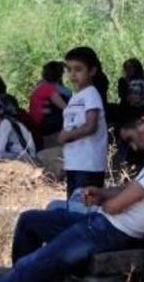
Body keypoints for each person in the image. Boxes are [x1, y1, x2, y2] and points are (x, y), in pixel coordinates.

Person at [0, 107, 144, 282]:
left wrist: (102, 202)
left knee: (30, 265)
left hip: (110, 231)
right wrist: (102, 193)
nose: (141, 128)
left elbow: (113, 207)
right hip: (103, 224)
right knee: (29, 221)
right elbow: (130, 189)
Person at [58, 46, 109, 198]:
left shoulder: (91, 94)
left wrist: (68, 136)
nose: (73, 74)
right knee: (74, 205)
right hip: (74, 161)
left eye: (78, 69)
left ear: (92, 71)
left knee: (83, 208)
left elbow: (91, 125)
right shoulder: (75, 96)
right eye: (69, 69)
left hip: (88, 164)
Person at [28, 61, 71, 143]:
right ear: (60, 75)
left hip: (40, 123)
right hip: (43, 125)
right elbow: (65, 107)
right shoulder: (48, 88)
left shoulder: (41, 85)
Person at [0, 95, 36, 161]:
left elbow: (0, 150)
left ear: (0, 111)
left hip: (25, 155)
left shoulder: (5, 123)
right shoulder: (0, 126)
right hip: (18, 154)